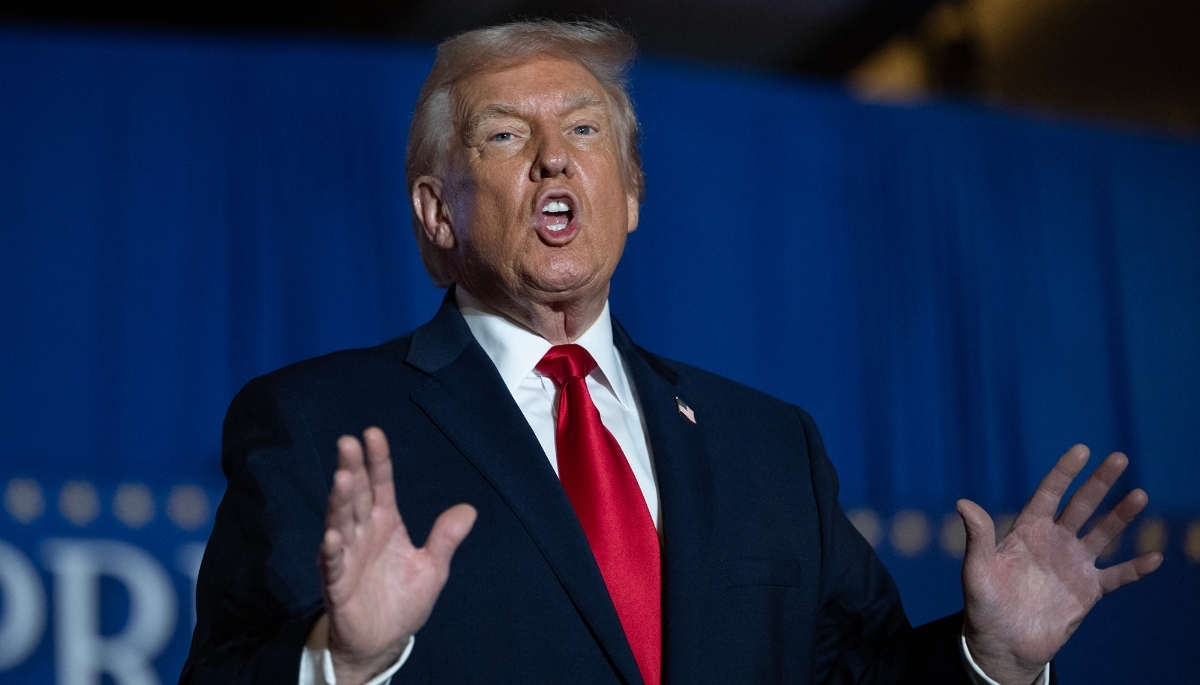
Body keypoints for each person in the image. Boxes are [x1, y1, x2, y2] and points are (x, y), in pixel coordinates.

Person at [181, 20, 1161, 685]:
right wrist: (341, 662)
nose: (554, 157)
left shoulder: (769, 447)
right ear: (439, 215)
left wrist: (992, 658)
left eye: (584, 129)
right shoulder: (319, 425)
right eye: (505, 134)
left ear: (633, 191)